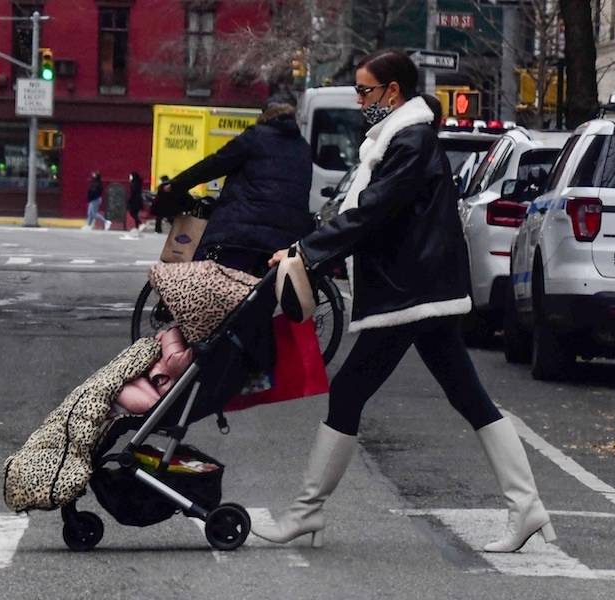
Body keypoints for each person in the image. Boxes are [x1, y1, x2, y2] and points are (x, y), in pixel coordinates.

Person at [256, 49, 555, 553]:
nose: (359, 99)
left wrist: (307, 252)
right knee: (467, 395)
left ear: (392, 92)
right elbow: (374, 215)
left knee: (350, 390)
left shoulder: (409, 139)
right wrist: (311, 248)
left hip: (409, 292)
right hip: (421, 290)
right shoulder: (401, 138)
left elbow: (373, 211)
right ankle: (526, 507)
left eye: (365, 90)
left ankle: (305, 514)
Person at [160, 94, 313, 274]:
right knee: (261, 291)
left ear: (264, 114)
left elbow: (215, 164)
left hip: (242, 231)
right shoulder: (303, 147)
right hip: (288, 237)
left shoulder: (254, 137)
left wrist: (177, 184)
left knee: (202, 270)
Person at [126, 171, 144, 237]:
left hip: (134, 201)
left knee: (132, 213)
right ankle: (137, 227)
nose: (130, 177)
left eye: (130, 176)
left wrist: (129, 200)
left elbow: (133, 193)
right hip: (137, 201)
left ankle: (140, 223)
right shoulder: (138, 183)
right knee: (135, 213)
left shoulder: (134, 184)